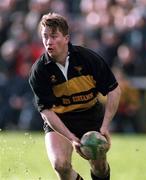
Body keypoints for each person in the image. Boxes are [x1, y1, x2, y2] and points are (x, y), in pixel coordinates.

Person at [29, 12, 121, 180]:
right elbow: (46, 111)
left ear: (66, 38)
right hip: (60, 118)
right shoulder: (39, 70)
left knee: (99, 167)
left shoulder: (88, 59)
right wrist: (71, 137)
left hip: (90, 115)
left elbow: (114, 89)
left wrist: (105, 125)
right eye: (45, 36)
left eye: (54, 36)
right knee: (60, 165)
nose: (48, 41)